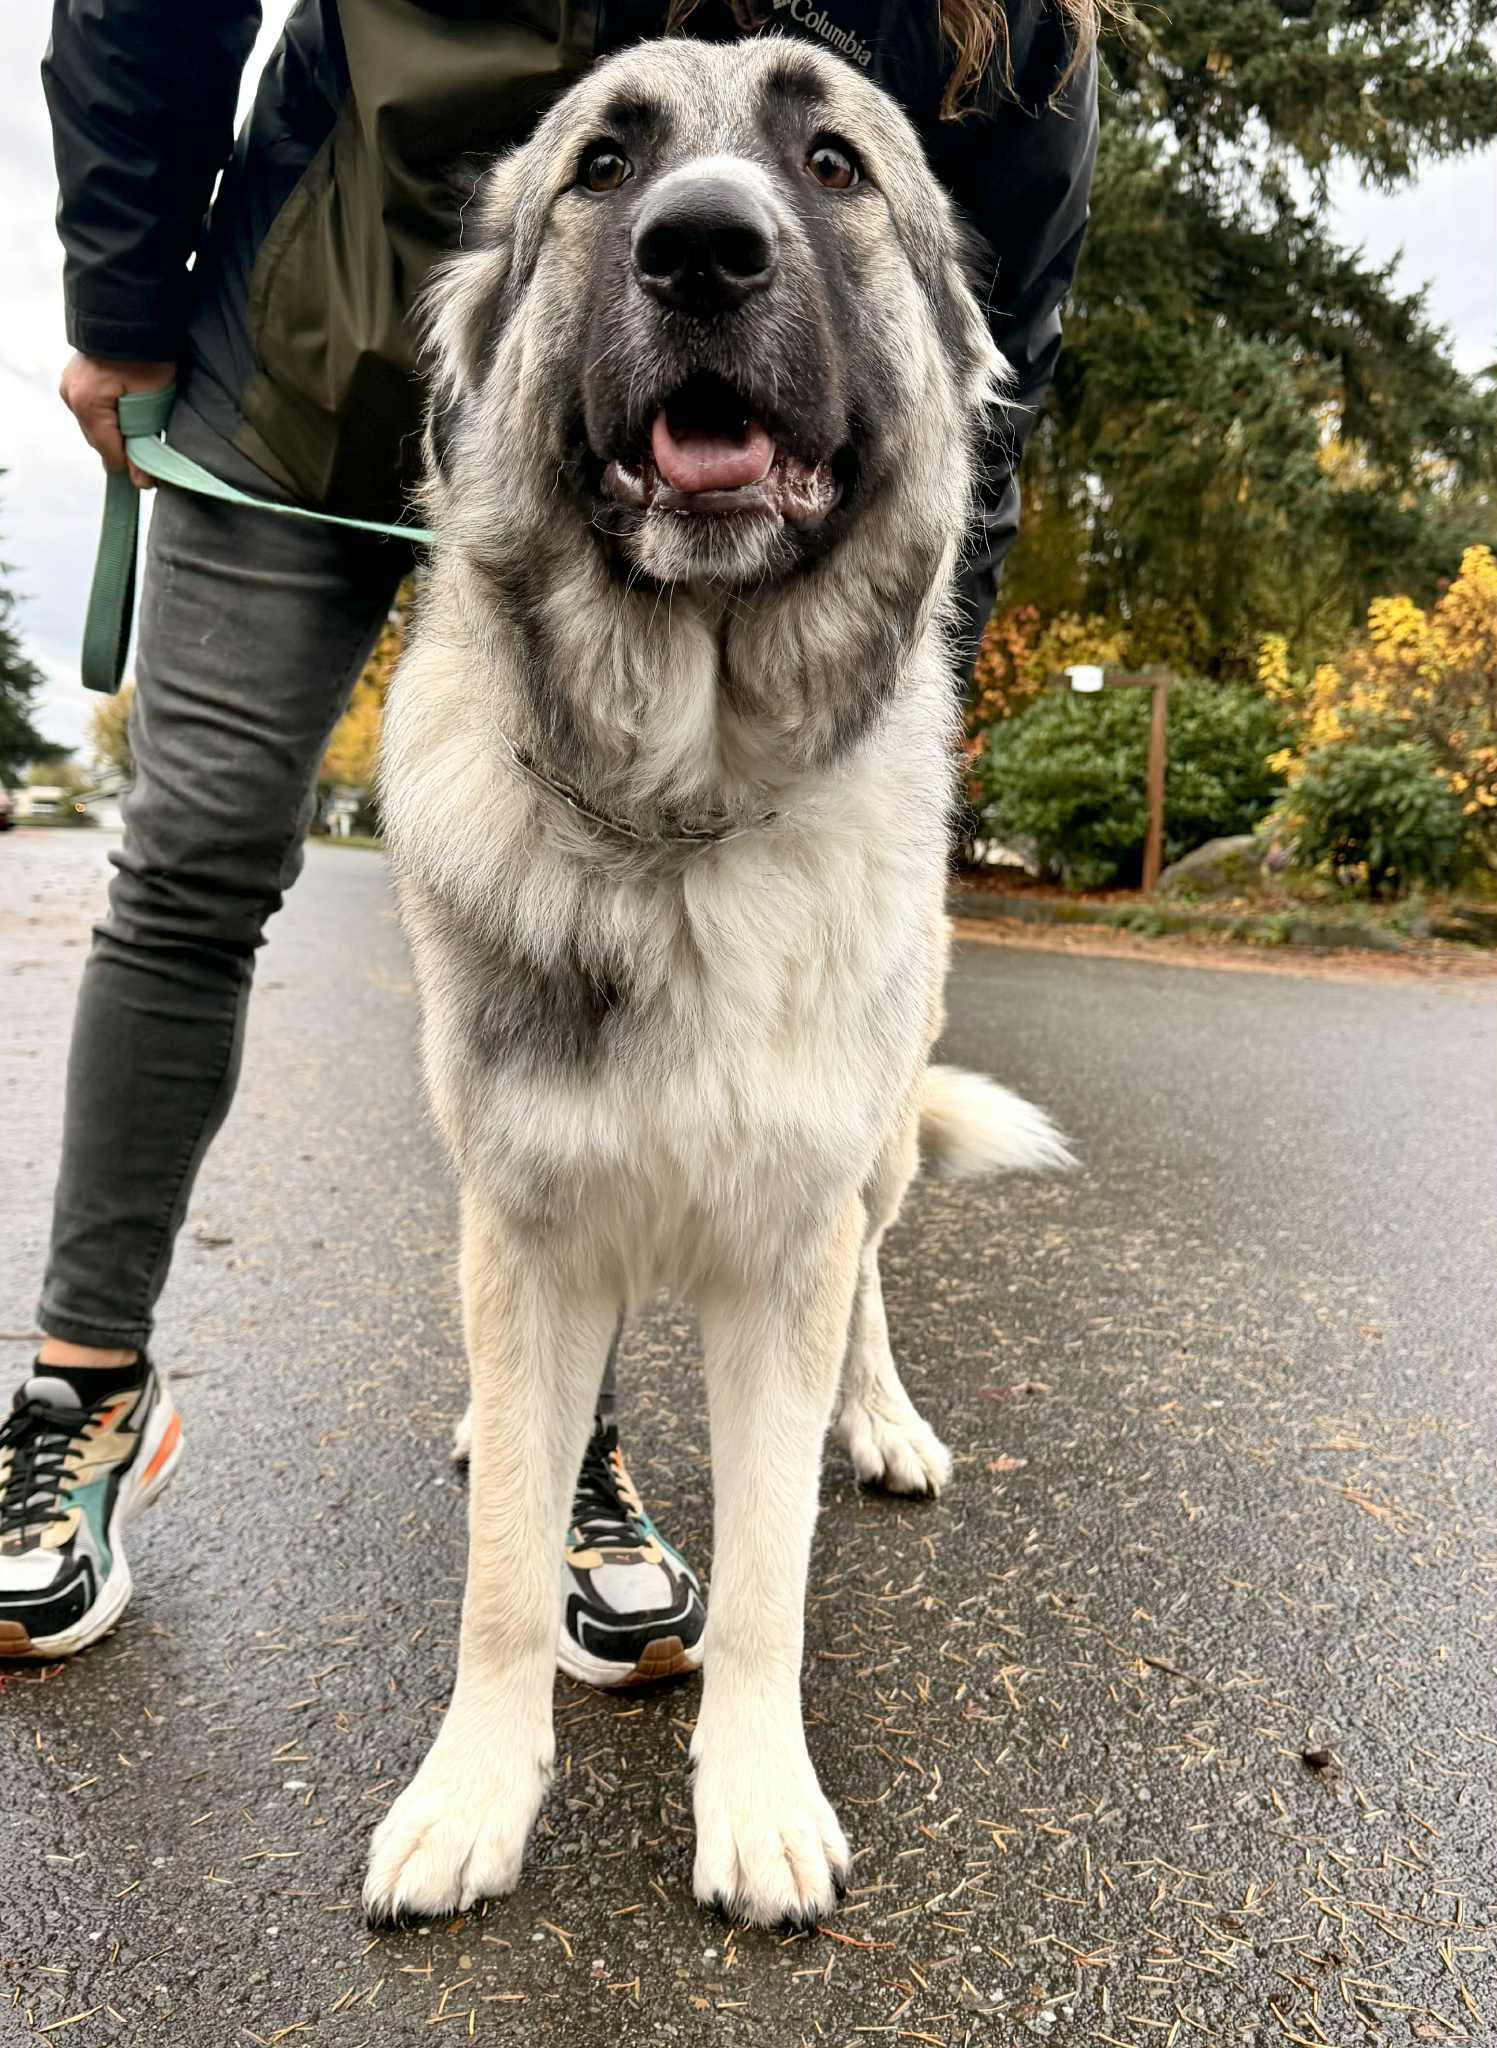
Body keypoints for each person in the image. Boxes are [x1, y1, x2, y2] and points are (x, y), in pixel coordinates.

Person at [0, 0, 1099, 1671]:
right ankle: (87, 1389)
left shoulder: (996, 25)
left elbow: (971, 342)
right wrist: (123, 296)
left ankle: (567, 1451)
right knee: (199, 851)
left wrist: (899, 693)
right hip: (311, 342)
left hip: (727, 385)